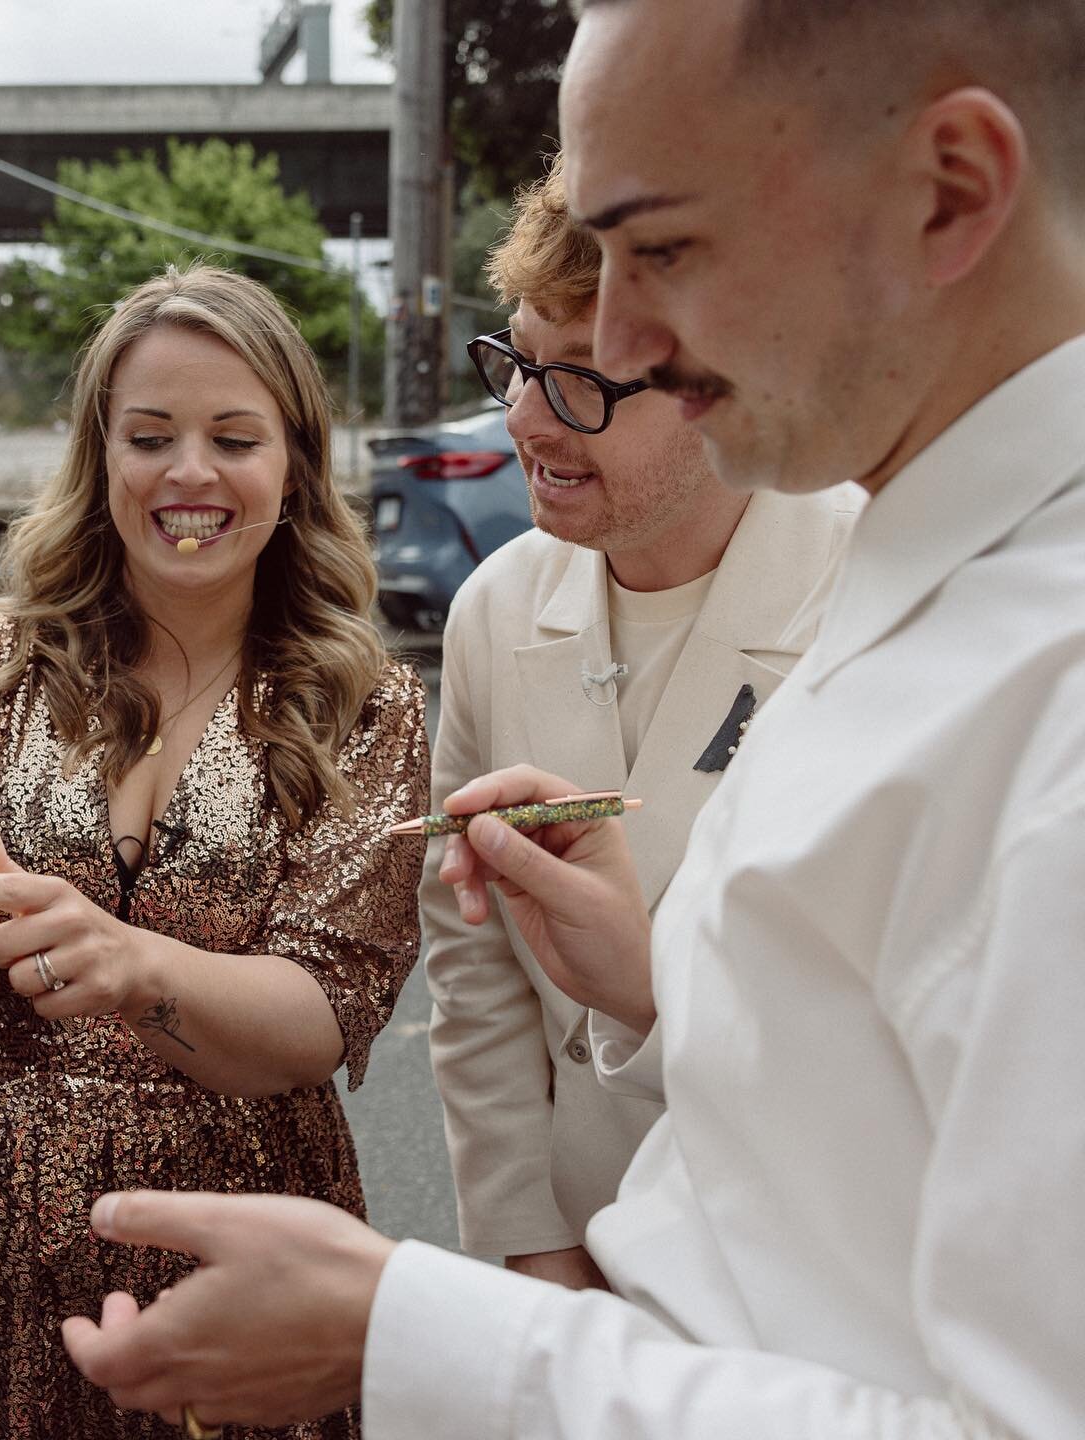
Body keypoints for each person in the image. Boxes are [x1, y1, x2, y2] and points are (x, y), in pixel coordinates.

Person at [59, 1, 1085, 1435]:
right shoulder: (935, 564)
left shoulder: (1051, 704)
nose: (625, 343)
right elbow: (838, 1147)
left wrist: (414, 1334)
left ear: (952, 191)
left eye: (661, 247)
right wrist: (652, 989)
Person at [0, 263, 431, 1440]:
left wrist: (134, 965)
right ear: (99, 455)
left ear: (295, 463)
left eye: (235, 436)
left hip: (239, 1234)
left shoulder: (363, 705)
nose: (191, 474)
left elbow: (325, 1011)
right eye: (151, 435)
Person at [426, 152, 858, 1286]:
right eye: (516, 359)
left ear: (735, 383)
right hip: (576, 1253)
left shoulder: (879, 604)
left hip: (802, 1269)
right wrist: (533, 1247)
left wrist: (647, 993)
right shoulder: (494, 608)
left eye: (580, 380)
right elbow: (475, 981)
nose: (524, 418)